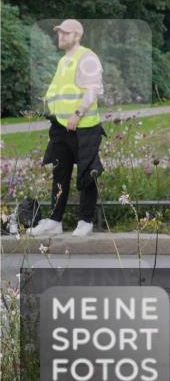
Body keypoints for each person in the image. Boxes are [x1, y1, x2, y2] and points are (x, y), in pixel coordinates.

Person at [28, 19, 106, 238]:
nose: (61, 36)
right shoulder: (64, 60)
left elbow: (92, 90)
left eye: (66, 33)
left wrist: (78, 113)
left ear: (77, 35)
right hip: (61, 126)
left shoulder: (87, 57)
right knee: (59, 172)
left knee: (87, 173)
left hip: (83, 126)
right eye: (59, 33)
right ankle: (55, 220)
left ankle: (86, 220)